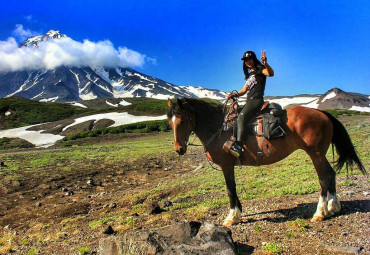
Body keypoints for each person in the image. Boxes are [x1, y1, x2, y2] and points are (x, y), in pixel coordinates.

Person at [227, 50, 274, 157]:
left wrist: (265, 64)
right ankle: (237, 140)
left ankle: (239, 146)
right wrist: (234, 95)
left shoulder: (260, 69)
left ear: (253, 59)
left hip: (256, 100)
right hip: (249, 100)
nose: (247, 61)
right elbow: (244, 90)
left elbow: (270, 74)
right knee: (235, 116)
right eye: (245, 60)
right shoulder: (250, 75)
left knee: (241, 117)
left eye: (249, 59)